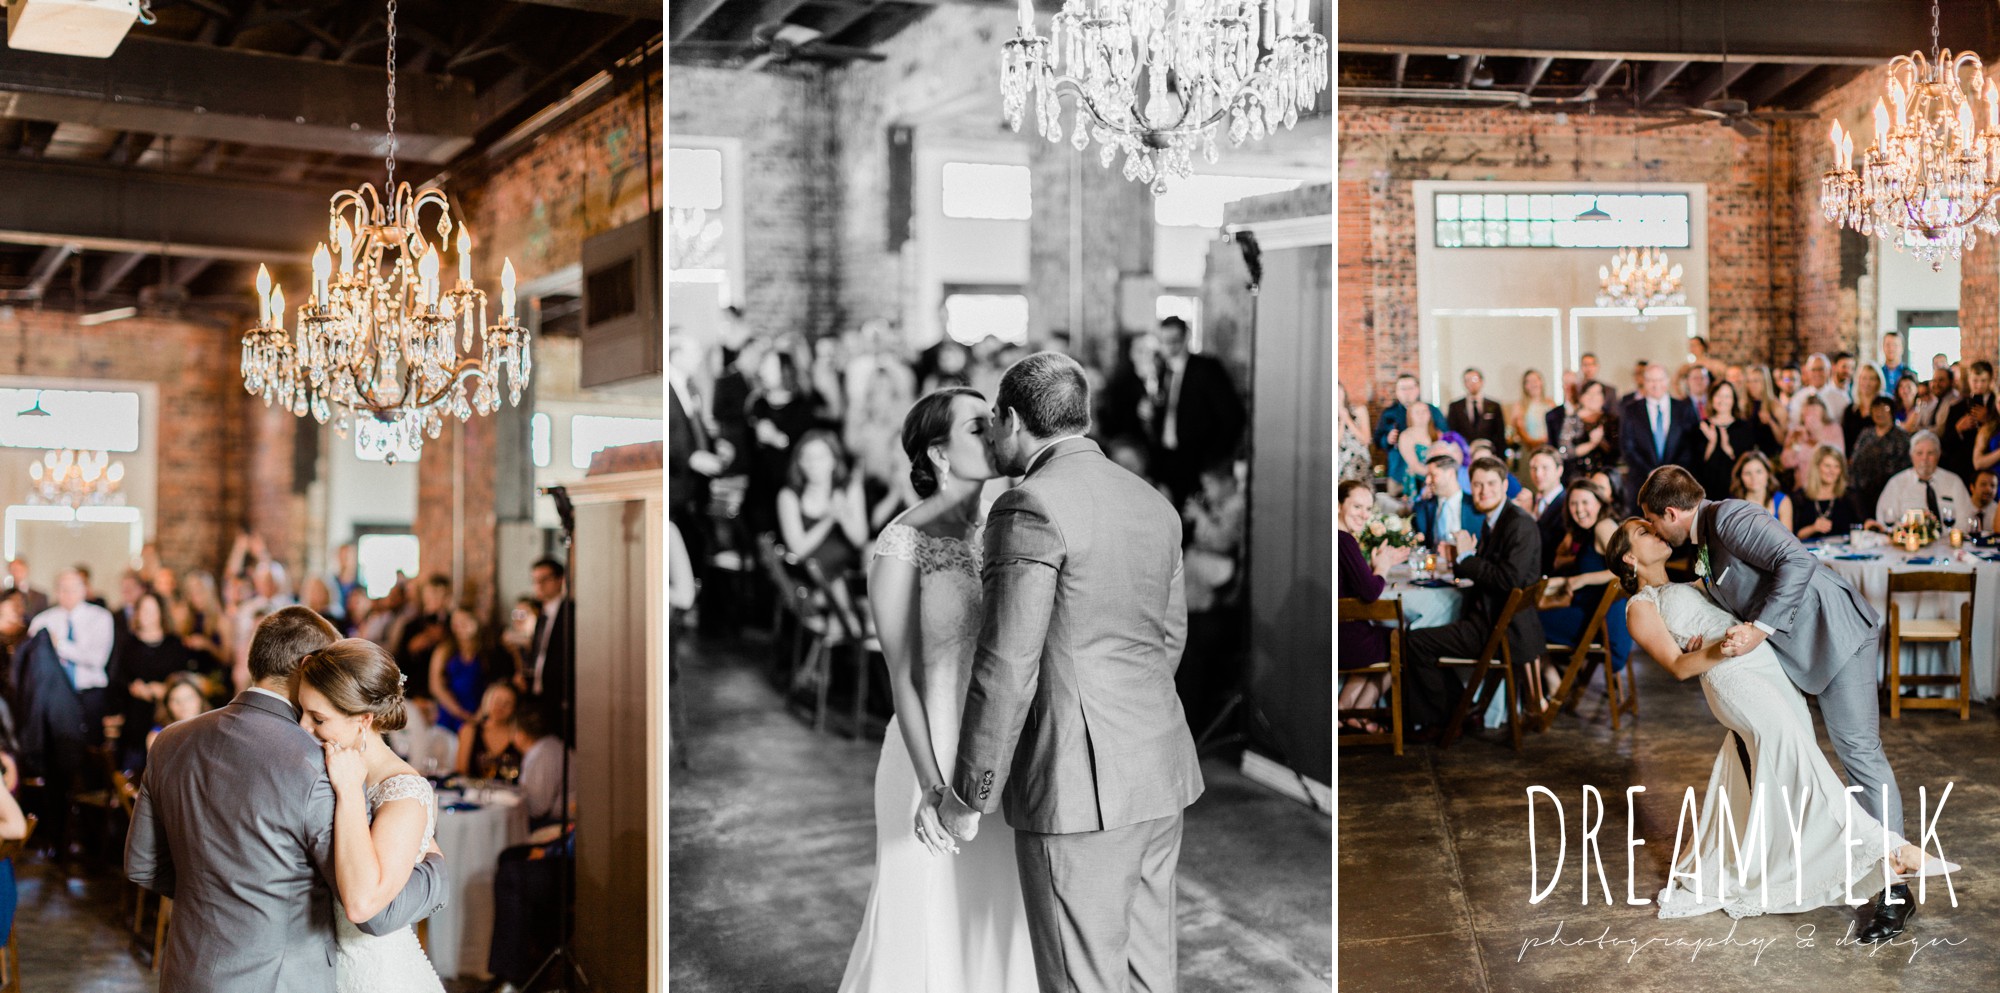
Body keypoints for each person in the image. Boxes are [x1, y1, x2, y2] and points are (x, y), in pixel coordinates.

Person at [934, 353, 1201, 993]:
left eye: (994, 422)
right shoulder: (1154, 502)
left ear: (1013, 419)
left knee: (1082, 983)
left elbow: (1007, 664)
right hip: (1158, 772)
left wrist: (970, 795)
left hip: (1078, 790)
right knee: (1146, 977)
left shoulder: (1030, 505)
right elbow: (1169, 638)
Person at [1605, 514, 1949, 925]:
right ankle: (1890, 852)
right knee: (1800, 762)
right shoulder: (1640, 606)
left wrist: (1727, 635)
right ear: (1628, 557)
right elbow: (1679, 666)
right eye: (1644, 532)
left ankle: (1793, 862)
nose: (1657, 532)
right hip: (1734, 678)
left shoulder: (1691, 581)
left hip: (1767, 668)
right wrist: (1720, 649)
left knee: (1796, 765)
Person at [126, 606, 448, 992]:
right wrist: (437, 874)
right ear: (305, 667)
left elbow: (143, 865)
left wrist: (221, 900)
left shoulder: (170, 741)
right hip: (280, 980)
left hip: (188, 969)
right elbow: (372, 912)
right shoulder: (319, 764)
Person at [835, 385, 1034, 990]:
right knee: (919, 917)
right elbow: (901, 675)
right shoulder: (903, 540)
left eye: (994, 419)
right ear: (939, 455)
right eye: (976, 427)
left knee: (992, 916)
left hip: (993, 754)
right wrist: (934, 787)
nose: (994, 430)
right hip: (930, 754)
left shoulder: (1007, 528)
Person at [292, 639, 448, 992]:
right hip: (318, 969)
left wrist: (349, 792)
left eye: (318, 718)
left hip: (375, 977)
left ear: (364, 720)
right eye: (301, 711)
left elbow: (362, 904)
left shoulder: (404, 794)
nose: (303, 727)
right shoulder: (324, 765)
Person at [1400, 457, 1543, 732]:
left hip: (1501, 630)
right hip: (1493, 620)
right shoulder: (1497, 519)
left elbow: (1508, 579)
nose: (1482, 491)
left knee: (1416, 641)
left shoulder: (1518, 524)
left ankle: (1442, 717)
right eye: (1477, 485)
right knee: (1426, 633)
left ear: (1504, 485)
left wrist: (1465, 557)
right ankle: (1458, 707)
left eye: (1490, 484)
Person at [1535, 479, 1631, 709]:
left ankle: (1550, 682)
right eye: (1573, 504)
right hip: (1593, 618)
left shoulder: (1603, 526)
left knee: (1522, 621)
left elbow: (1625, 570)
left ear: (1600, 503)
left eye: (1585, 502)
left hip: (1601, 627)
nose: (1579, 509)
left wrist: (1582, 579)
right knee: (1527, 617)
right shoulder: (1589, 531)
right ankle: (1554, 681)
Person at [1147, 316, 1246, 507]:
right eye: (1163, 341)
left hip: (1198, 459)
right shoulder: (1162, 370)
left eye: (1174, 340)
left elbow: (1232, 416)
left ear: (1185, 338)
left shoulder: (1206, 369)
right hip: (1167, 458)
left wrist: (1214, 458)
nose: (1168, 347)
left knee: (1194, 513)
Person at [1337, 480, 1410, 733]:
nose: (1364, 515)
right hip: (1344, 638)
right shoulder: (1343, 540)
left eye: (1368, 509)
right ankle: (1358, 713)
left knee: (1378, 637)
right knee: (1402, 643)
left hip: (1340, 633)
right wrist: (1382, 568)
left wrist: (1374, 567)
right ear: (1338, 505)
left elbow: (1351, 585)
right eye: (1357, 506)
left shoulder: (1336, 538)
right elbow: (1369, 593)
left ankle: (1344, 710)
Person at [109, 590, 198, 770]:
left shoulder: (174, 644)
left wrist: (165, 688)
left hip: (167, 712)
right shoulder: (128, 644)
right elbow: (117, 677)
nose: (146, 615)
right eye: (143, 610)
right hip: (135, 713)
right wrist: (133, 687)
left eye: (152, 610)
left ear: (161, 613)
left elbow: (184, 677)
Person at [27, 568, 116, 743]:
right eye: (62, 588)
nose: (67, 594)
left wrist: (59, 645)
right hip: (55, 695)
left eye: (73, 588)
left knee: (91, 747)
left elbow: (97, 659)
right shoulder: (42, 620)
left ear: (84, 590)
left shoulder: (100, 617)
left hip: (89, 692)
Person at [777, 429, 869, 581]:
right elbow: (798, 549)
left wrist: (843, 514)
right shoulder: (788, 495)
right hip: (810, 574)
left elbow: (860, 540)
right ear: (799, 462)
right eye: (807, 458)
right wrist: (829, 518)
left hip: (847, 571)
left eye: (820, 457)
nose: (813, 464)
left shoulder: (849, 488)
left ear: (833, 460)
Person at [1619, 364, 1698, 513]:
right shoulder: (1631, 410)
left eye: (1660, 379)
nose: (1656, 385)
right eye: (1651, 380)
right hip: (1641, 484)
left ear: (1667, 380)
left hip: (1677, 485)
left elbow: (1690, 445)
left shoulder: (1683, 408)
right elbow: (1627, 447)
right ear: (1644, 382)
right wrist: (1650, 472)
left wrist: (1671, 473)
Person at [521, 559, 574, 736]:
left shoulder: (570, 612)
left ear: (560, 580)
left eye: (545, 579)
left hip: (561, 696)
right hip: (541, 695)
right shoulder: (541, 615)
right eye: (535, 580)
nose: (539, 585)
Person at [1876, 430, 1974, 526]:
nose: (1925, 458)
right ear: (1911, 456)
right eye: (1919, 453)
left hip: (1948, 540)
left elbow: (1966, 518)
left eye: (1930, 453)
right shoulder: (1896, 483)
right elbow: (1884, 519)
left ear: (1938, 455)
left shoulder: (1953, 481)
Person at [511, 698, 573, 833]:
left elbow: (537, 808)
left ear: (521, 735)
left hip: (561, 825)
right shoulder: (550, 745)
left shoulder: (543, 754)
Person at [1850, 396, 1913, 527]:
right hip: (1862, 493)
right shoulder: (1866, 434)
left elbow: (1906, 467)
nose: (1879, 413)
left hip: (1889, 491)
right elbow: (1855, 459)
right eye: (1876, 409)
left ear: (1892, 412)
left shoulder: (1901, 437)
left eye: (1884, 409)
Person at [427, 607, 491, 735]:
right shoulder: (444, 650)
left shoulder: (486, 651)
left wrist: (480, 713)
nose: (460, 626)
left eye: (465, 621)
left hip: (479, 709)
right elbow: (436, 686)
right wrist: (458, 711)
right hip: (450, 709)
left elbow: (492, 684)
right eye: (456, 622)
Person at [391, 575, 450, 704]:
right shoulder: (411, 626)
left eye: (439, 594)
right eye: (431, 594)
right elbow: (400, 665)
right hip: (416, 694)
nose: (434, 599)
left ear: (447, 597)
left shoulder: (453, 625)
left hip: (447, 692)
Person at [1694, 380, 1755, 500]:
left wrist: (1728, 449)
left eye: (1727, 396)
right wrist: (1712, 443)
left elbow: (1748, 462)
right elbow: (1695, 466)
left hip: (1735, 493)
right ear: (1712, 398)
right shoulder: (1701, 427)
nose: (1723, 400)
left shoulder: (1744, 427)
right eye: (1718, 396)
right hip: (1706, 492)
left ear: (1733, 400)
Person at [1548, 379, 1618, 481]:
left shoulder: (1612, 419)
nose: (1593, 397)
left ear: (1603, 398)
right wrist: (1592, 444)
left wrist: (1601, 441)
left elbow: (1618, 451)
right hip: (1578, 476)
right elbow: (1565, 452)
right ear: (1581, 397)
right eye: (1589, 393)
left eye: (1598, 393)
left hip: (1606, 476)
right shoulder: (1572, 420)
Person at [1514, 446, 1567, 573]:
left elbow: (1547, 544)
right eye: (1534, 468)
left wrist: (1528, 516)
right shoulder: (1533, 500)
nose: (1538, 474)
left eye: (1545, 468)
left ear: (1559, 470)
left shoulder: (1566, 503)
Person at [455, 681, 522, 781]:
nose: (500, 707)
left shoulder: (519, 736)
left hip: (507, 795)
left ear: (514, 708)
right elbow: (461, 772)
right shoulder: (469, 730)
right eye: (497, 701)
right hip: (472, 793)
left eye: (507, 703)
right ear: (487, 700)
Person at [1939, 360, 1994, 480]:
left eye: (1983, 381)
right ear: (1969, 380)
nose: (1978, 385)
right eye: (1975, 380)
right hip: (1963, 470)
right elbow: (1945, 443)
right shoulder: (1957, 407)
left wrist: (1988, 421)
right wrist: (1958, 429)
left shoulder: (1996, 405)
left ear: (1990, 380)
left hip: (1991, 467)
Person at [1793, 445, 1863, 539]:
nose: (1832, 471)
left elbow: (1862, 526)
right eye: (1827, 466)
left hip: (1845, 551)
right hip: (1810, 552)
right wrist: (1813, 528)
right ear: (1817, 467)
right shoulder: (1800, 497)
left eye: (1837, 466)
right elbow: (1792, 536)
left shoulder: (1850, 495)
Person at [1412, 453, 1479, 551]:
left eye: (1433, 475)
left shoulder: (1475, 506)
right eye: (1427, 476)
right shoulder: (1421, 508)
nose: (1427, 481)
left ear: (1450, 473)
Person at [1370, 373, 1446, 455]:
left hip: (1428, 455)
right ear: (1396, 391)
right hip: (1399, 460)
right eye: (1403, 389)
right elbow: (1377, 440)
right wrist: (1387, 440)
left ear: (1418, 389)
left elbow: (1445, 433)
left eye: (1410, 388)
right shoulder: (1389, 413)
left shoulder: (1431, 410)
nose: (1407, 392)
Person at [1386, 398, 1440, 499]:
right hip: (1417, 480)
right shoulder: (1406, 436)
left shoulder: (1436, 434)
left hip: (1435, 479)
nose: (1421, 415)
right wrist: (1433, 476)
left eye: (1424, 411)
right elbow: (1414, 465)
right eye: (1417, 412)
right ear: (1410, 415)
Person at [1446, 366, 1507, 452]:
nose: (1471, 383)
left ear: (1481, 381)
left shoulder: (1493, 406)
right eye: (1467, 380)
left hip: (1489, 451)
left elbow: (1500, 434)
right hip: (1464, 453)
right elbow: (1453, 433)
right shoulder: (1456, 407)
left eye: (1474, 379)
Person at [1731, 451, 1792, 532]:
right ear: (1740, 477)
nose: (1754, 477)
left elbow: (1788, 541)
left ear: (1768, 473)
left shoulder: (1783, 501)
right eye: (1747, 473)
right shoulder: (1733, 505)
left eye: (1759, 472)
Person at [147, 672, 210, 750]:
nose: (183, 705)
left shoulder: (214, 728)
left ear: (200, 699)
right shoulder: (158, 737)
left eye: (188, 698)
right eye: (176, 700)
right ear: (167, 705)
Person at [1508, 368, 1555, 457]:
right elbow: (1518, 431)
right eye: (1528, 382)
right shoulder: (1519, 406)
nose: (1533, 384)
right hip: (1529, 449)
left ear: (1541, 382)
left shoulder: (1550, 404)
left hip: (1549, 448)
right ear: (1525, 386)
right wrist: (1535, 443)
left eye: (1535, 380)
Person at [1842, 364, 1886, 453]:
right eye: (1864, 378)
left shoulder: (1884, 410)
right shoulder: (1850, 410)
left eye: (1872, 379)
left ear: (1878, 382)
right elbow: (1845, 439)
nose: (1867, 383)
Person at [1338, 381, 1374, 484]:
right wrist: (1342, 421)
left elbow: (1366, 440)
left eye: (1339, 390)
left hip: (1359, 460)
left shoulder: (1360, 410)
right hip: (1340, 464)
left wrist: (1348, 419)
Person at [1879, 330, 1916, 396]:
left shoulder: (1911, 374)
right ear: (1882, 347)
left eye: (1895, 345)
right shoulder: (1877, 373)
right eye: (1888, 345)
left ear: (1902, 348)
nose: (1891, 348)